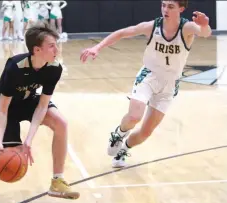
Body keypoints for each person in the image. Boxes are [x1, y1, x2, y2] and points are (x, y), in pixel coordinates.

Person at [80, 0, 211, 168]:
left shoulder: (187, 28)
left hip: (170, 85)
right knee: (135, 116)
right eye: (163, 5)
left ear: (181, 9)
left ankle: (123, 150)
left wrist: (205, 25)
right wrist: (97, 47)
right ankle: (119, 134)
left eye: (170, 6)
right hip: (149, 77)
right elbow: (123, 33)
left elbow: (205, 33)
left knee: (145, 132)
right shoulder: (152, 26)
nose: (165, 9)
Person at [0, 24, 80, 200]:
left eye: (57, 44)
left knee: (61, 123)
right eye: (52, 45)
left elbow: (42, 105)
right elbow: (2, 109)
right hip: (5, 108)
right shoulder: (15, 66)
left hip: (28, 101)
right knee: (12, 157)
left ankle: (57, 181)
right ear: (37, 50)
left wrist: (29, 140)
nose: (58, 49)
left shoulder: (55, 68)